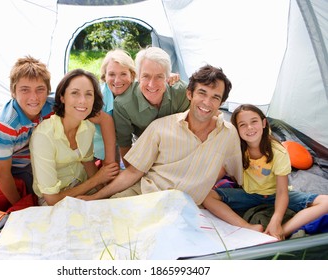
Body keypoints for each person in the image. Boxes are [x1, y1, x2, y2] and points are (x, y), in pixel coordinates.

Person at [78, 64, 243, 206]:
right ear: (189, 94)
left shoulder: (228, 135)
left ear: (221, 103)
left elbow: (242, 173)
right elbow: (133, 172)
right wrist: (95, 197)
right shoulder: (160, 127)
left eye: (215, 97)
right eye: (202, 93)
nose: (207, 102)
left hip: (182, 208)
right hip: (143, 194)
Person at [0, 56, 116, 210]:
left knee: (33, 189)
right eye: (25, 90)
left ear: (48, 91)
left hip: (24, 155)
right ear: (13, 91)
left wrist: (109, 166)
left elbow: (102, 118)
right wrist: (22, 208)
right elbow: (3, 174)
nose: (34, 97)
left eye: (40, 89)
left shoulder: (53, 105)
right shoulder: (5, 126)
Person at [202, 104, 328, 240]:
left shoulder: (278, 152)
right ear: (237, 129)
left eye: (254, 122)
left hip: (275, 195)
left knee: (325, 202)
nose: (249, 128)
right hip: (249, 194)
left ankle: (279, 232)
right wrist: (200, 191)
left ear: (263, 123)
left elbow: (282, 192)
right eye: (242, 125)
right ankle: (247, 228)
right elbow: (219, 172)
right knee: (205, 195)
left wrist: (276, 221)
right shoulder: (235, 149)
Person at [30, 69, 120, 206]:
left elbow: (88, 162)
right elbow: (52, 199)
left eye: (88, 94)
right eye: (75, 93)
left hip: (85, 187)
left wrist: (104, 195)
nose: (82, 101)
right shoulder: (43, 136)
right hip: (55, 200)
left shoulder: (87, 127)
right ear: (62, 97)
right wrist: (97, 179)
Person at [112, 46, 190, 167]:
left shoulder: (182, 93)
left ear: (168, 76)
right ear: (137, 76)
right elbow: (124, 143)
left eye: (159, 76)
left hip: (178, 150)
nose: (151, 84)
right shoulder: (123, 104)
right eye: (146, 76)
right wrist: (132, 172)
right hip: (145, 150)